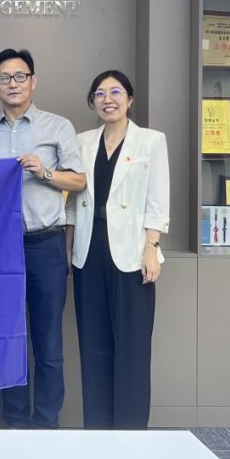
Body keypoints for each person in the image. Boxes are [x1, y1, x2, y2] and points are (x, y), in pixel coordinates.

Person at [0, 48, 86, 429]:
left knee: (48, 342)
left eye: (20, 76)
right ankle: (16, 421)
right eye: (4, 78)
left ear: (33, 81)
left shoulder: (57, 126)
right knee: (8, 338)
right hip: (0, 248)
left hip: (45, 244)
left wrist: (45, 172)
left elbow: (79, 181)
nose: (13, 84)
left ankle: (46, 423)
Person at [65, 70, 169, 430]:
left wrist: (151, 247)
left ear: (130, 98)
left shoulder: (151, 141)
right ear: (92, 101)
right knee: (93, 345)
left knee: (132, 347)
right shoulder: (82, 142)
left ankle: (131, 431)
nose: (107, 100)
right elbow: (72, 201)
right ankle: (97, 430)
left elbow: (158, 199)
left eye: (115, 92)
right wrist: (68, 246)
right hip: (88, 250)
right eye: (99, 94)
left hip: (132, 252)